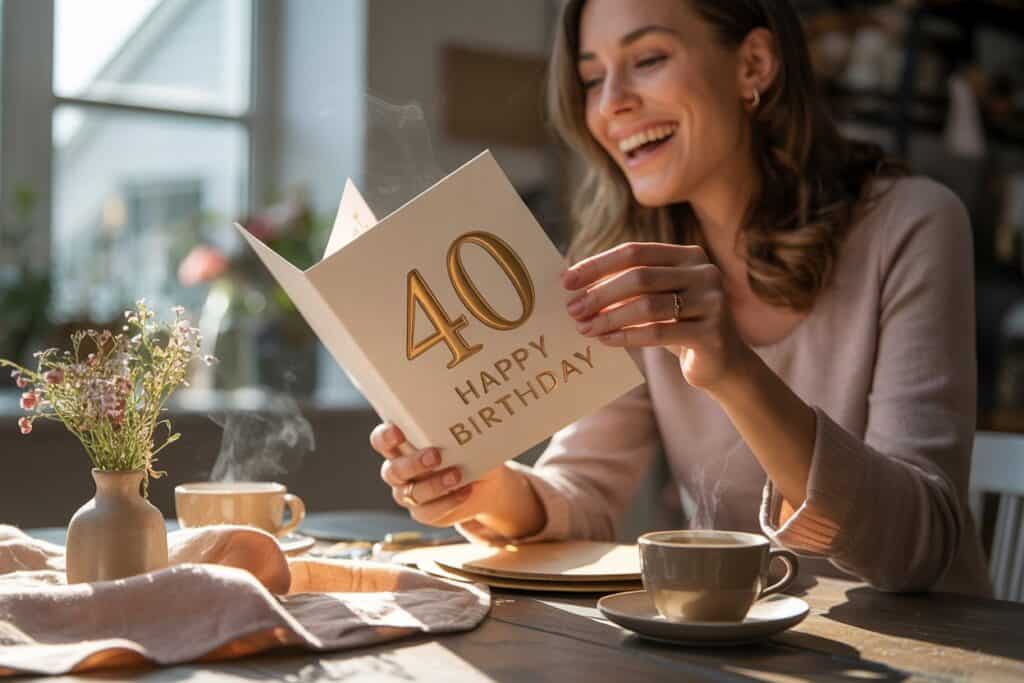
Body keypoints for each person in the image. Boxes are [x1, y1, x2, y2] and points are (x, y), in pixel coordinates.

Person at [370, 0, 991, 596]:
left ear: (752, 65)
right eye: (591, 78)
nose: (611, 104)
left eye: (647, 60)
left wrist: (732, 369)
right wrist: (486, 491)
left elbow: (920, 546)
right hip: (737, 643)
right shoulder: (637, 260)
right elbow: (583, 488)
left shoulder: (912, 224)